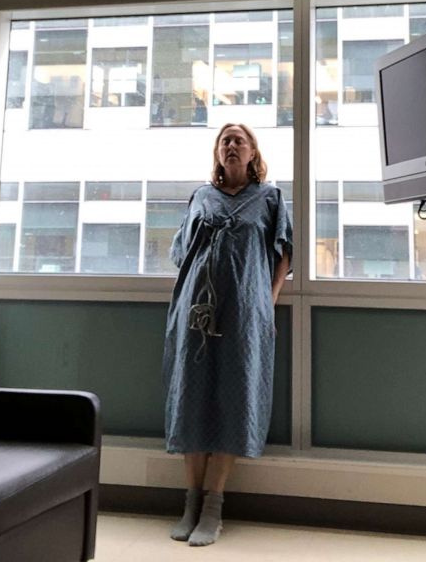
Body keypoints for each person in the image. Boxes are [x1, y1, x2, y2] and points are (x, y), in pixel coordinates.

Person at [162, 123, 292, 547]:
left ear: (253, 152)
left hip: (244, 314)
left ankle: (214, 506)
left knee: (235, 398)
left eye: (239, 140)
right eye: (225, 141)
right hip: (195, 311)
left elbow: (283, 256)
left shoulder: (270, 198)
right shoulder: (201, 196)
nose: (231, 145)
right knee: (192, 396)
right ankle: (190, 503)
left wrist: (265, 304)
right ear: (217, 153)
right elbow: (182, 251)